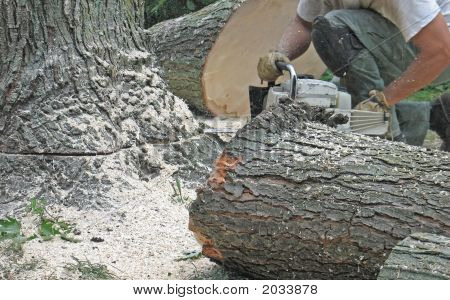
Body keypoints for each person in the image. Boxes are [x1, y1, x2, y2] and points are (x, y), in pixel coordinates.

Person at [258, 0, 450, 151]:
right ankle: (438, 115)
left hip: (438, 51)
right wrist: (282, 53)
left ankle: (386, 143)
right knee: (340, 102)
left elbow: (441, 51)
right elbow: (303, 23)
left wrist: (384, 100)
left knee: (335, 27)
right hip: (411, 41)